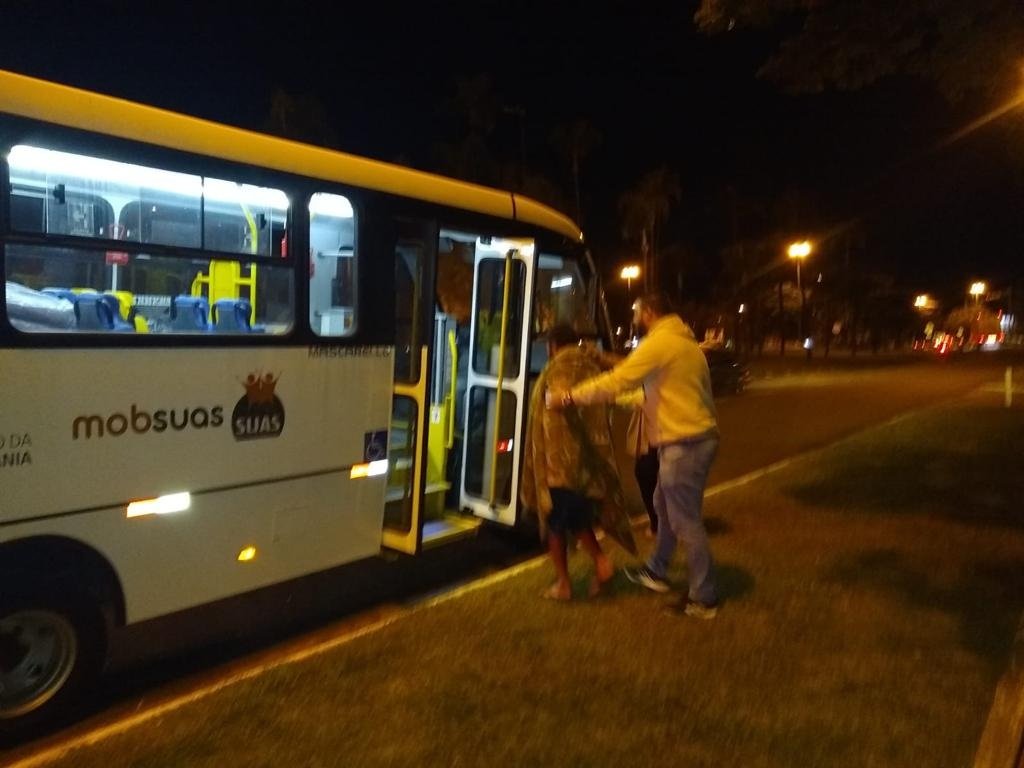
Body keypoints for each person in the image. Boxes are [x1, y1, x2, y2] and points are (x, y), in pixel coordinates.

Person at [549, 292, 721, 618]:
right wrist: (615, 401)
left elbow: (620, 378)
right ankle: (657, 570)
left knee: (685, 520)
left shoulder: (660, 342)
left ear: (650, 311)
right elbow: (646, 394)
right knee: (662, 507)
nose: (635, 317)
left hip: (685, 443)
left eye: (638, 312)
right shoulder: (683, 343)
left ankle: (704, 597)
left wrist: (569, 397)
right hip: (691, 441)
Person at [520, 324, 618, 601]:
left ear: (553, 345)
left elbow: (558, 398)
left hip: (559, 460)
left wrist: (553, 398)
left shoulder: (561, 367)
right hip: (584, 458)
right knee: (575, 517)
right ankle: (587, 571)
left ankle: (576, 576)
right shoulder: (587, 365)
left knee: (558, 521)